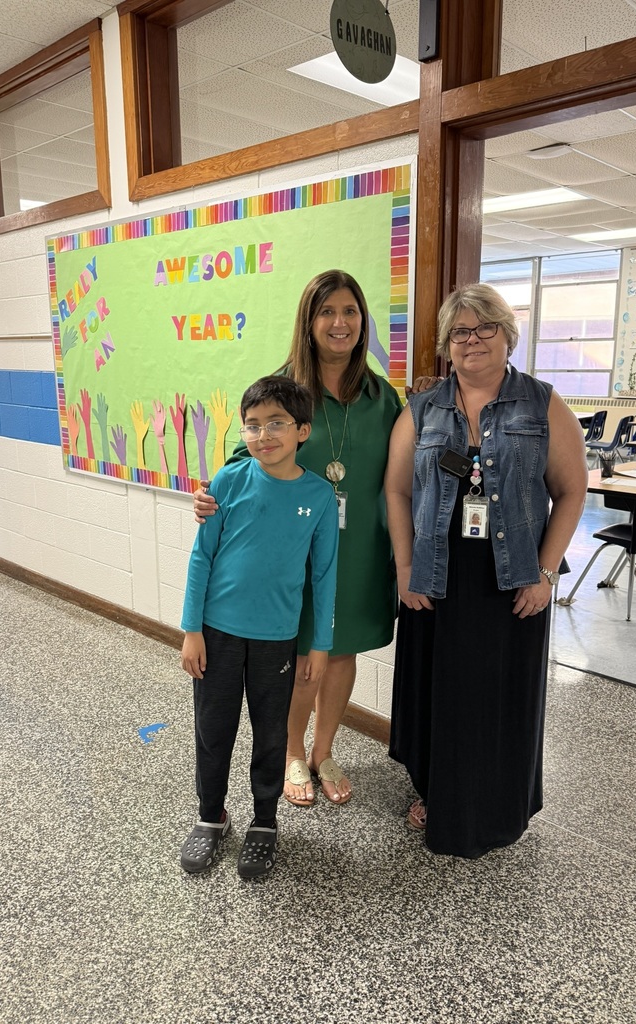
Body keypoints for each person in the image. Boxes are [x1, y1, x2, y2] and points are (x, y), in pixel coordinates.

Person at [384, 283, 588, 858]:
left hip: (511, 580)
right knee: (440, 693)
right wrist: (404, 566)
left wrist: (545, 574)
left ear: (507, 334)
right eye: (459, 332)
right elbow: (397, 491)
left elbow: (572, 492)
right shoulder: (422, 407)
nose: (471, 340)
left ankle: (501, 804)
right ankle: (433, 790)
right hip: (436, 576)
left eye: (484, 328)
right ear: (447, 344)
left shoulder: (542, 403)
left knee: (499, 697)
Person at [193, 270, 402, 807]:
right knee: (300, 656)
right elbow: (247, 457)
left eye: (350, 311)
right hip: (293, 548)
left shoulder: (382, 397)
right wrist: (210, 495)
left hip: (359, 549)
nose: (340, 323)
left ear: (362, 320)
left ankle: (323, 750)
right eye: (326, 312)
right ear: (309, 322)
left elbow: (405, 475)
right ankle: (291, 752)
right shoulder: (286, 387)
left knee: (341, 651)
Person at [179, 376, 339, 878]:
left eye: (276, 424)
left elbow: (324, 575)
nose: (263, 435)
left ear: (302, 431)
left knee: (271, 734)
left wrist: (320, 646)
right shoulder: (228, 481)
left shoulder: (318, 495)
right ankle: (211, 817)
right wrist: (191, 629)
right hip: (217, 633)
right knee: (213, 730)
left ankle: (264, 822)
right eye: (252, 425)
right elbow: (201, 558)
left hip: (278, 639)